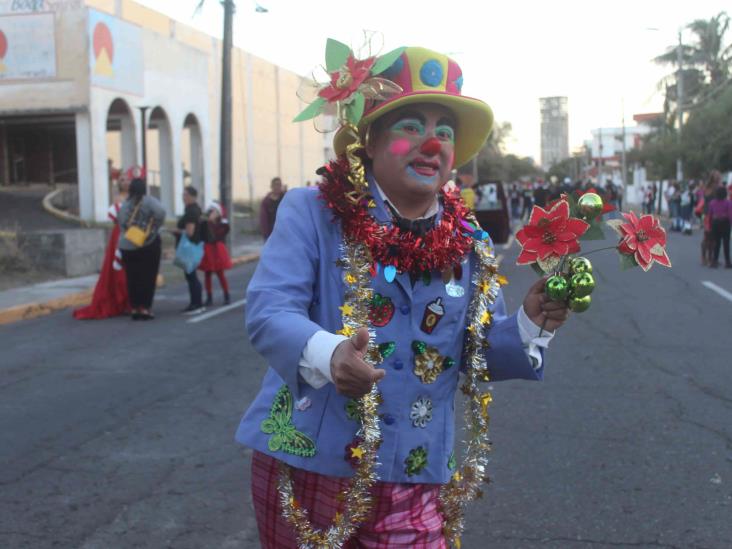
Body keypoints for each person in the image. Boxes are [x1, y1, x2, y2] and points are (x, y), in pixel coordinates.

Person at [235, 43, 570, 547]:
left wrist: (528, 322)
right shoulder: (312, 213)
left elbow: (476, 354)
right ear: (369, 142)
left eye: (445, 131)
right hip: (308, 465)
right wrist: (329, 354)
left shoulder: (471, 244)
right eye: (411, 126)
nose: (432, 144)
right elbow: (269, 310)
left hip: (415, 476)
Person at [73, 176, 131, 320]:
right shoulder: (117, 199)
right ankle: (119, 300)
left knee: (130, 269)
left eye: (127, 179)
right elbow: (115, 219)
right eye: (122, 180)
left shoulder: (136, 198)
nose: (125, 182)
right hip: (119, 234)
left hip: (133, 234)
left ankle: (130, 301)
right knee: (118, 267)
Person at [117, 177, 166, 320]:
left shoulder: (125, 204)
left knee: (132, 277)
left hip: (128, 245)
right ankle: (145, 308)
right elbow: (161, 213)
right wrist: (153, 227)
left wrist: (131, 231)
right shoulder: (149, 201)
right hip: (148, 244)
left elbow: (121, 221)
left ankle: (135, 308)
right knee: (148, 277)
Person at [173, 186, 205, 314]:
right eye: (183, 194)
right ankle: (196, 302)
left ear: (192, 196)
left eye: (186, 195)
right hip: (194, 246)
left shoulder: (191, 211)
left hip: (189, 247)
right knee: (191, 275)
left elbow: (189, 232)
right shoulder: (195, 209)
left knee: (191, 276)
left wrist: (175, 231)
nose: (183, 197)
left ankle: (196, 303)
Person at [199, 201, 233, 306]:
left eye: (214, 211)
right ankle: (209, 297)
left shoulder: (222, 224)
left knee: (220, 273)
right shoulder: (205, 223)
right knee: (207, 274)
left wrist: (213, 222)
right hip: (208, 249)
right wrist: (207, 220)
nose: (211, 213)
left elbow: (220, 233)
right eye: (210, 211)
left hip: (217, 250)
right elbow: (202, 231)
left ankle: (226, 295)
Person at [708, 185, 732, 268]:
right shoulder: (728, 202)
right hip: (725, 223)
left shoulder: (712, 202)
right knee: (726, 243)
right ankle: (727, 262)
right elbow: (730, 214)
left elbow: (710, 215)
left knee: (716, 243)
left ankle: (714, 261)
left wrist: (710, 225)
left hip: (715, 223)